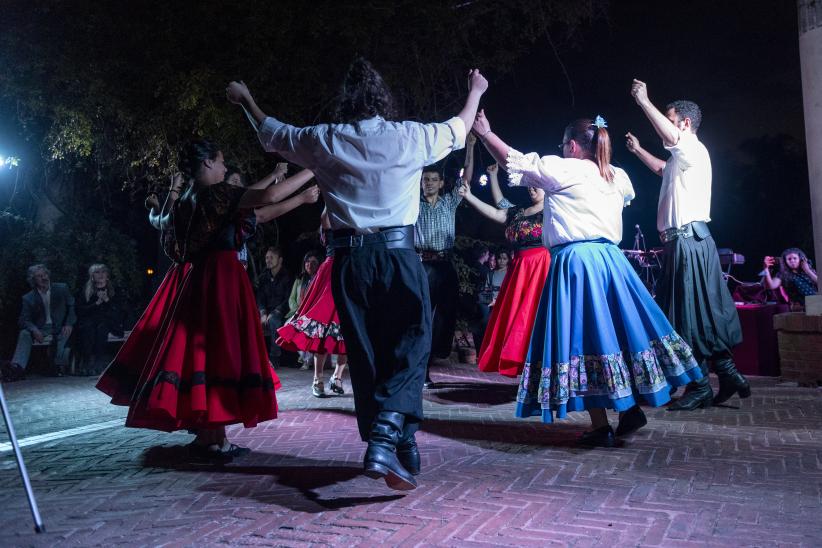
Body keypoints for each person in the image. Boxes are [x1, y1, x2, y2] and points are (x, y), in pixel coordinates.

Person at [227, 57, 486, 490]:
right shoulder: (409, 136)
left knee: (367, 356)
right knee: (412, 345)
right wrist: (476, 90)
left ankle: (397, 442)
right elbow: (459, 128)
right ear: (382, 99)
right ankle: (387, 437)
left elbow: (273, 134)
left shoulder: (325, 139)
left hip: (349, 264)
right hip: (397, 258)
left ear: (345, 102)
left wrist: (246, 101)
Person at [474, 111, 702, 447]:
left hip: (576, 262)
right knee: (613, 337)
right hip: (611, 261)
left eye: (564, 145)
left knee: (582, 340)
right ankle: (624, 411)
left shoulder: (567, 169)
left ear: (571, 146)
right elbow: (621, 198)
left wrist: (486, 133)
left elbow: (515, 163)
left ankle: (602, 424)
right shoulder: (617, 176)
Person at [96, 139, 318, 461]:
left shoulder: (186, 199)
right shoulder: (216, 194)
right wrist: (314, 168)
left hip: (195, 279)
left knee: (206, 356)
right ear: (208, 163)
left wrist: (293, 192)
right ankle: (213, 439)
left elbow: (259, 210)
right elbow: (267, 198)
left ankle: (211, 437)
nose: (226, 168)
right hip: (220, 279)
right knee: (222, 353)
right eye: (222, 162)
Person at [627, 79, 749, 409]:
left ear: (684, 123)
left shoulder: (691, 147)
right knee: (699, 313)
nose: (665, 126)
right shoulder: (683, 159)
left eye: (670, 119)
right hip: (689, 242)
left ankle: (699, 386)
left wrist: (644, 102)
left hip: (688, 242)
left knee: (683, 316)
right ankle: (725, 374)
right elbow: (662, 168)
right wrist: (638, 150)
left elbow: (670, 138)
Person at [458, 161, 551, 377]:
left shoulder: (555, 210)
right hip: (519, 269)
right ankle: (524, 365)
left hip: (542, 268)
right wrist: (469, 196)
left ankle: (542, 366)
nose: (531, 188)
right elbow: (497, 211)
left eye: (536, 184)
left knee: (536, 317)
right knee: (518, 318)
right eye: (528, 184)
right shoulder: (518, 211)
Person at [415, 138, 470, 387]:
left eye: (432, 180)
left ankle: (437, 355)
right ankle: (422, 370)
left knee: (445, 317)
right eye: (425, 180)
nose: (428, 183)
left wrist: (470, 147)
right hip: (423, 265)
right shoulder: (414, 205)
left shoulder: (449, 202)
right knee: (423, 318)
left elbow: (465, 179)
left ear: (441, 183)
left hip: (446, 265)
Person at [277, 210, 349, 398]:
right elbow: (324, 217)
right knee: (322, 329)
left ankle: (337, 377)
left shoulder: (353, 218)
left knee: (347, 331)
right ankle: (318, 379)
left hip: (350, 272)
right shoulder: (332, 217)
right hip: (330, 276)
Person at [6, 265, 75, 380]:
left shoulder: (61, 288)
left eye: (45, 274)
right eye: (39, 276)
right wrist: (34, 329)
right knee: (24, 333)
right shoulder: (28, 298)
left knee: (65, 333)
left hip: (60, 325)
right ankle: (16, 368)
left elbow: (72, 306)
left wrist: (69, 323)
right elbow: (24, 319)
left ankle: (57, 366)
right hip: (42, 328)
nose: (44, 278)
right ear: (33, 280)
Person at [74, 264, 123, 375]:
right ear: (92, 276)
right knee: (88, 328)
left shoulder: (114, 290)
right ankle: (87, 363)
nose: (101, 275)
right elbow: (80, 310)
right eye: (97, 272)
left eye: (103, 272)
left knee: (101, 328)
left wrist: (106, 300)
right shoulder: (85, 290)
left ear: (107, 275)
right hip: (89, 322)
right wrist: (96, 303)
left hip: (109, 322)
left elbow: (118, 312)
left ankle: (98, 363)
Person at [286, 250, 323, 372]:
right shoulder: (299, 279)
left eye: (313, 262)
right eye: (307, 262)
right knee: (288, 326)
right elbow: (291, 298)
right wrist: (297, 310)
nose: (309, 265)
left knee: (308, 328)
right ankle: (304, 357)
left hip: (315, 314)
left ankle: (307, 361)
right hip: (299, 312)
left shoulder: (321, 280)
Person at [257, 247, 293, 367]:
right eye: (267, 257)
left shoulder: (287, 276)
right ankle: (256, 358)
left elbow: (288, 299)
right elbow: (260, 298)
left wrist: (275, 312)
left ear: (280, 260)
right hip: (266, 311)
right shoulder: (263, 277)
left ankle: (274, 358)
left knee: (273, 321)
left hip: (281, 311)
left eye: (272, 257)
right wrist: (262, 312)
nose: (268, 260)